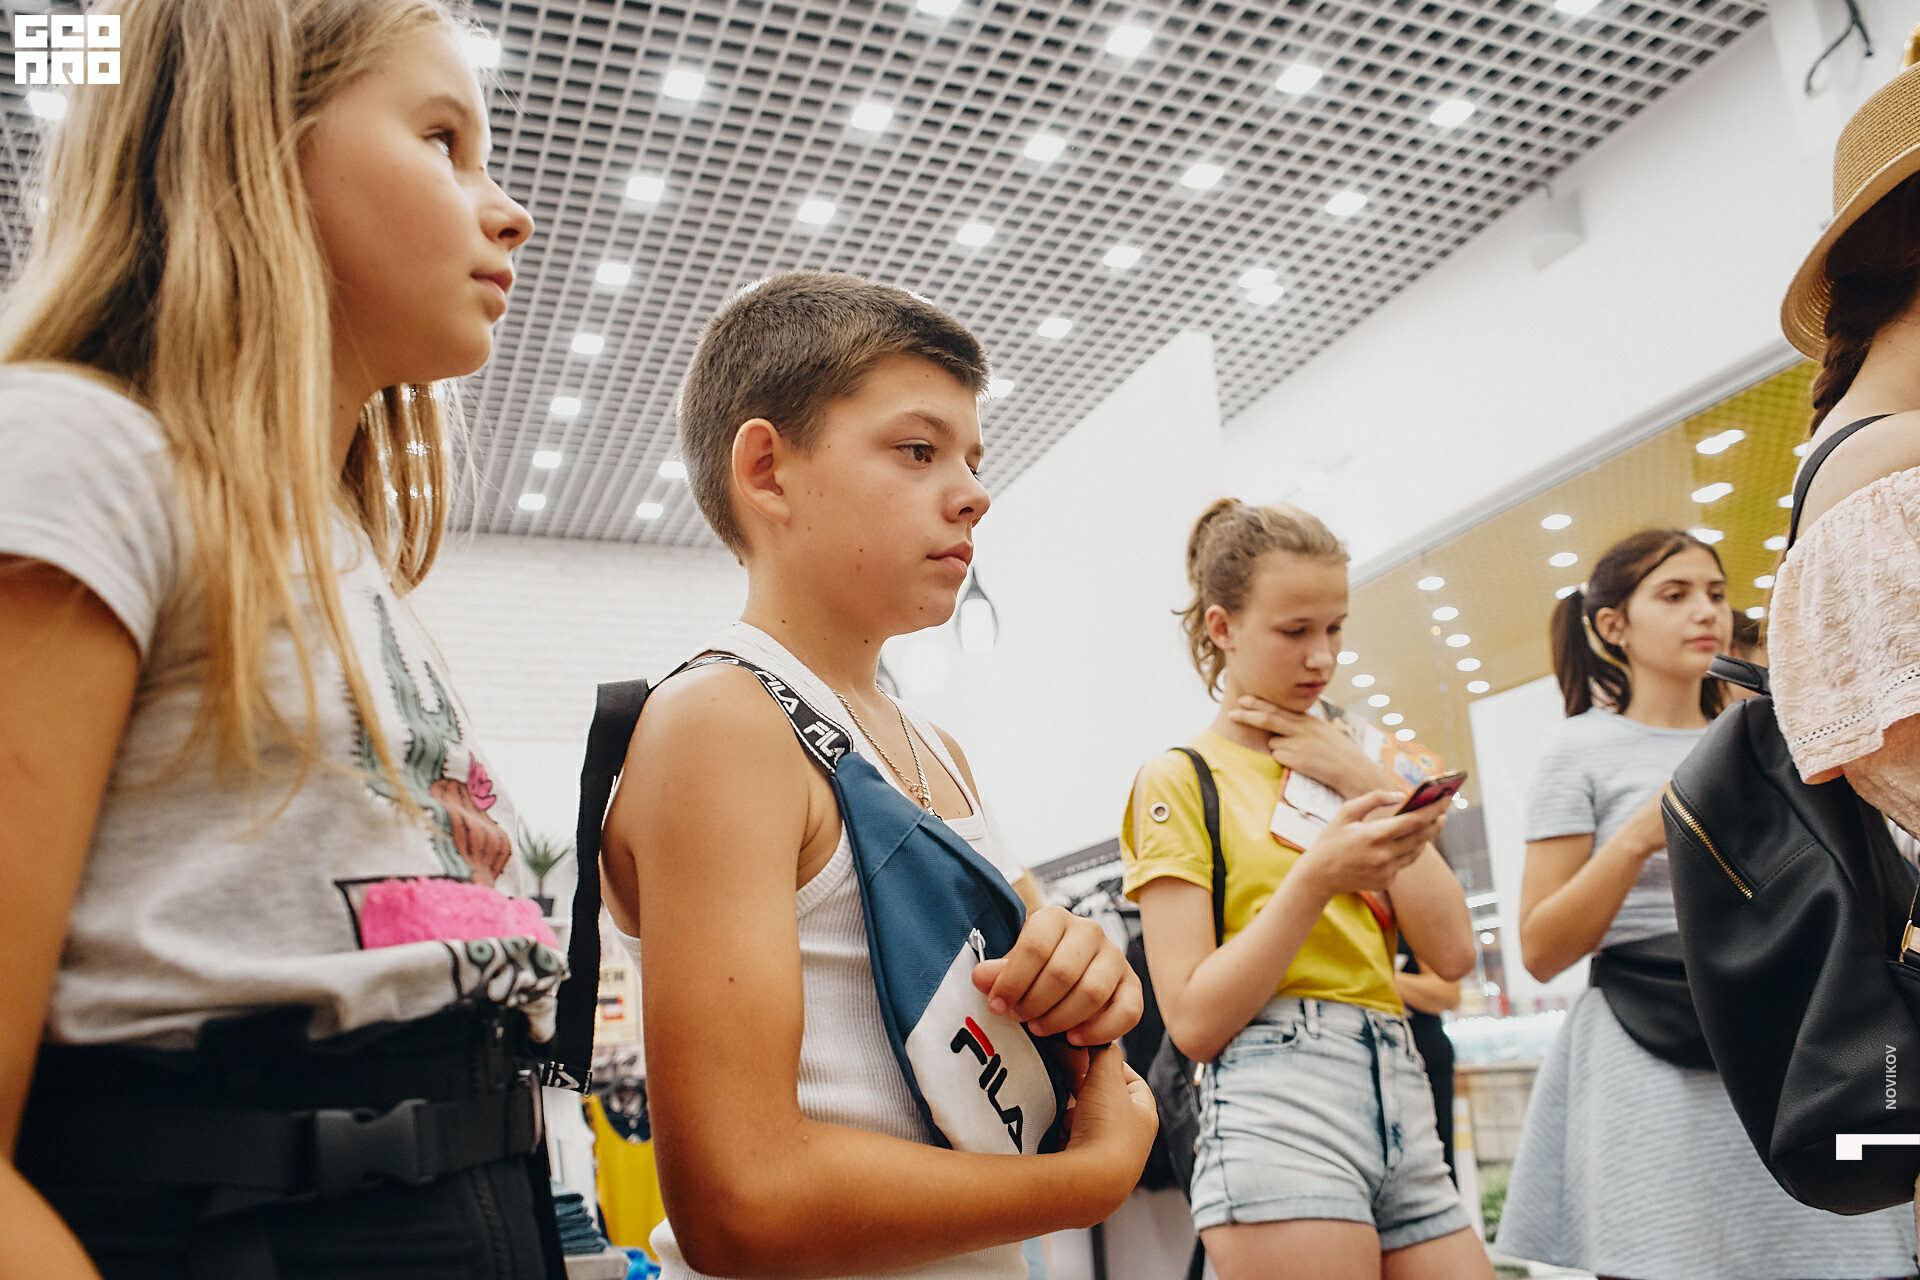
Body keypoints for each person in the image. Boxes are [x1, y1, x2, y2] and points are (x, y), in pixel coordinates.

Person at [0, 2, 568, 1277]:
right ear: (253, 137)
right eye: (442, 140)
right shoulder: (85, 456)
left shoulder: (346, 547)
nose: (509, 211)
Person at [595, 270, 1157, 1280]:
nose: (974, 491)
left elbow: (1040, 1007)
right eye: (918, 449)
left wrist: (1085, 975)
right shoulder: (722, 721)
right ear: (768, 472)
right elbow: (741, 1197)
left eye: (974, 458)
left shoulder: (938, 751)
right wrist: (1086, 1181)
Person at [1493, 530, 1916, 1279]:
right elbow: (1541, 948)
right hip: (1650, 1050)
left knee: (1844, 1246)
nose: (1706, 612)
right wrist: (1642, 834)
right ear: (1612, 626)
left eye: (1716, 594)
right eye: (1675, 594)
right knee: (1667, 1253)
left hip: (1792, 1034)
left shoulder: (1781, 739)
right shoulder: (1578, 751)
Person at [1122, 498, 1488, 1280]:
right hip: (1276, 1099)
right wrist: (1319, 875)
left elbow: (1455, 953)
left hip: (1399, 1086)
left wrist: (1357, 772)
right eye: (1294, 631)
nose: (1322, 657)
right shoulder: (1181, 778)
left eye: (1335, 628)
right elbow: (1192, 1019)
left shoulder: (1355, 764)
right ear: (1222, 627)